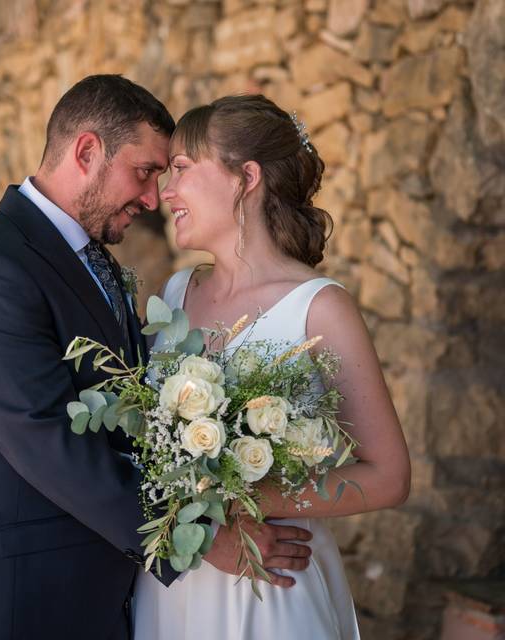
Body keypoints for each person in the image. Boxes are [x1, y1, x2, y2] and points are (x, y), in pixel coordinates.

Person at [0, 77, 315, 640]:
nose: (154, 198)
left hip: (104, 600)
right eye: (146, 171)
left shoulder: (91, 260)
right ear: (87, 152)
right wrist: (199, 535)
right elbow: (48, 441)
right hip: (18, 603)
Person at [133, 94, 411, 639]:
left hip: (268, 586)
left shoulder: (320, 308)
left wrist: (251, 498)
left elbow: (389, 476)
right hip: (175, 581)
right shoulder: (174, 293)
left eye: (183, 170)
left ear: (246, 177)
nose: (166, 192)